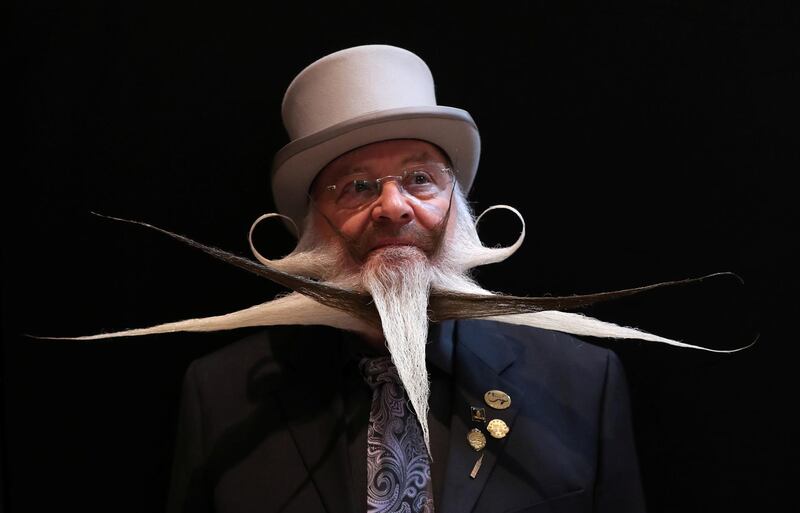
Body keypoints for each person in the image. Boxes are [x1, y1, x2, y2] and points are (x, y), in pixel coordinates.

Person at [163, 45, 647, 513]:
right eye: (356, 187)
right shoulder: (221, 399)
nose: (393, 207)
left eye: (420, 179)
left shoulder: (582, 385)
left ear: (457, 206)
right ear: (313, 228)